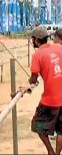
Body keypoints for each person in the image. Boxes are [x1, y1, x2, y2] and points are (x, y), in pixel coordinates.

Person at [28, 26, 62, 155]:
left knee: (37, 125)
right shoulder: (59, 47)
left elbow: (34, 77)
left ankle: (50, 151)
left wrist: (30, 81)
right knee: (61, 130)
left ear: (36, 40)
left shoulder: (37, 55)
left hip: (51, 100)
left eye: (33, 39)